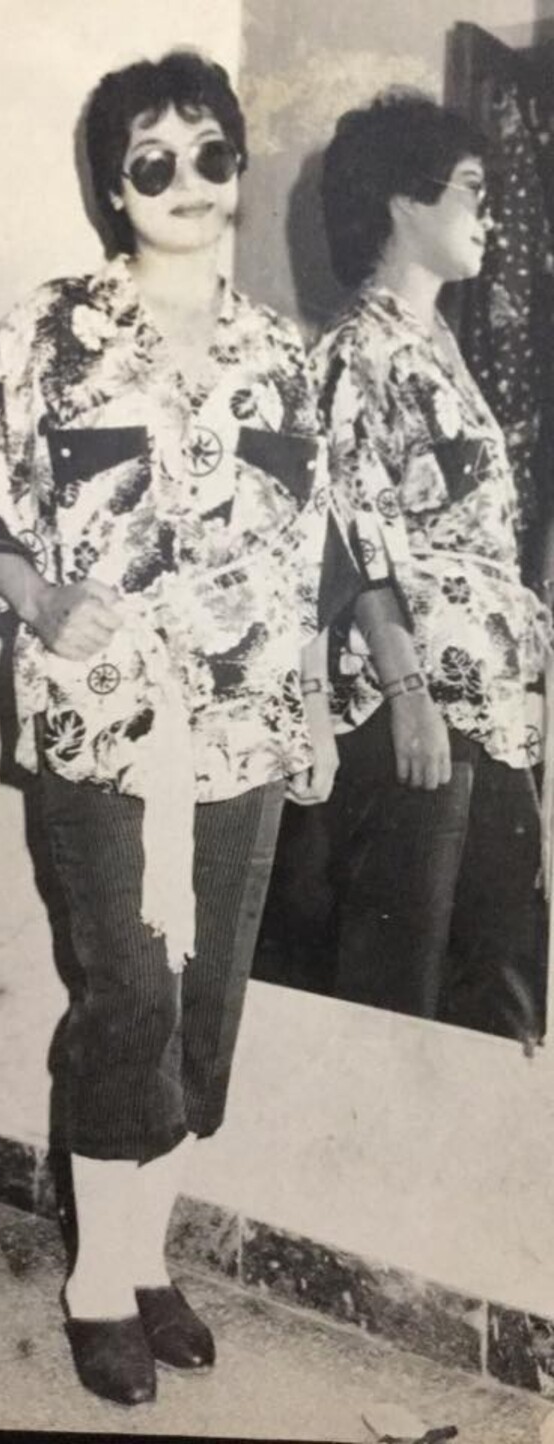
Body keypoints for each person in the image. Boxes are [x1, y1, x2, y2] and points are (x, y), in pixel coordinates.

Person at [0, 50, 356, 1407]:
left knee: (201, 1012)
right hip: (103, 730)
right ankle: (96, 1288)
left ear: (236, 169)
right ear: (115, 185)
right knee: (132, 999)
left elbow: (313, 553)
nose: (185, 182)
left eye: (210, 154)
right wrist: (41, 600)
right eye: (151, 161)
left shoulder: (280, 355)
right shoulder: (50, 332)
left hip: (245, 734)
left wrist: (313, 709)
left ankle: (142, 1255)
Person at [308, 90, 551, 1038]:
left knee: (500, 988)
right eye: (472, 190)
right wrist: (408, 692)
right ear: (407, 200)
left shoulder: (441, 350)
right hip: (416, 708)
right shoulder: (355, 348)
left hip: (486, 708)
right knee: (398, 989)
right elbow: (352, 529)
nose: (489, 216)